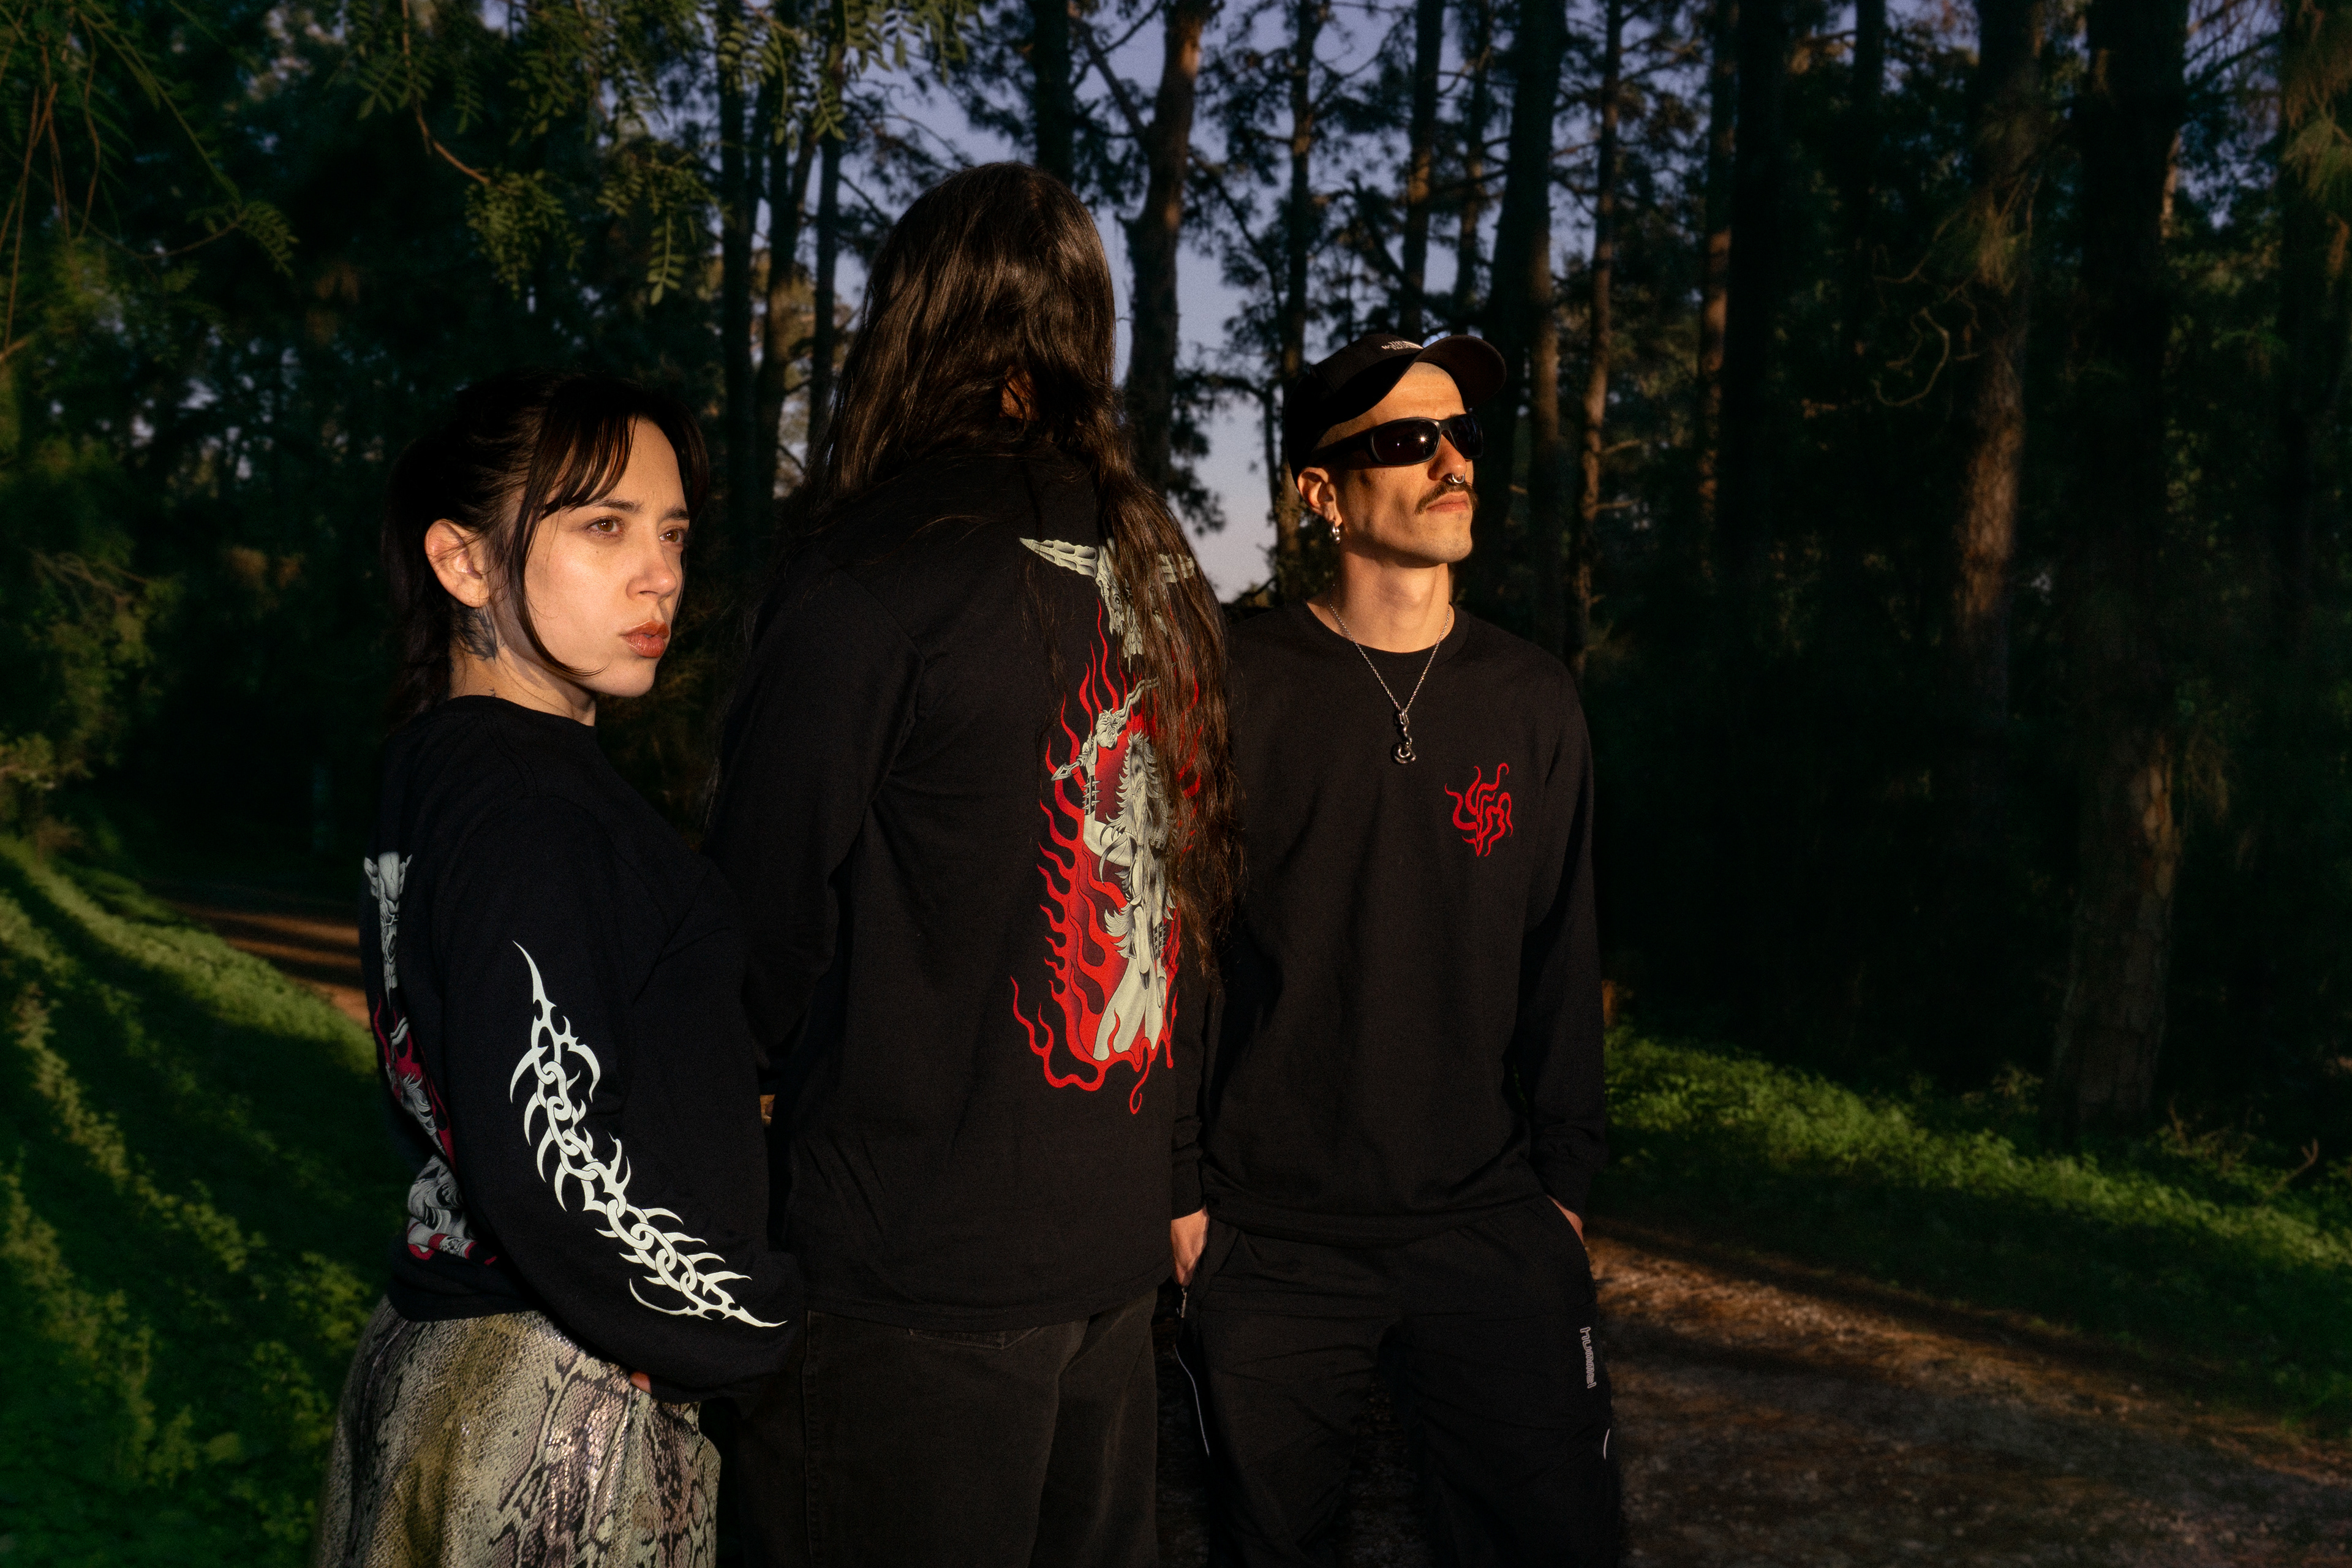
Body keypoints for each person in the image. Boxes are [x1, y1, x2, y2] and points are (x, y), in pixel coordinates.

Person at [703, 163, 1238, 1568]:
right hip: (1106, 1249)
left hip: (910, 1273)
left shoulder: (877, 567)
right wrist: (1177, 1162)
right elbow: (1186, 904)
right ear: (1084, 329)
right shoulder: (1161, 570)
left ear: (913, 318)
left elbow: (751, 930)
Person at [315, 370, 802, 1568]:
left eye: (672, 532)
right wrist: (751, 1322)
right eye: (604, 526)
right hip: (556, 1408)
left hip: (450, 1352)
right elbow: (551, 1151)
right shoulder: (531, 805)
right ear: (463, 562)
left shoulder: (448, 768)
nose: (660, 574)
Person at [1175, 332, 1621, 1566]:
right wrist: (1179, 1187)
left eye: (1463, 433)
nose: (1450, 461)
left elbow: (1561, 950)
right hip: (1271, 1231)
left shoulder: (1531, 698)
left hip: (1487, 1216)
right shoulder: (1234, 681)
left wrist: (1564, 1187)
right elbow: (1182, 942)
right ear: (1321, 491)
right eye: (1407, 440)